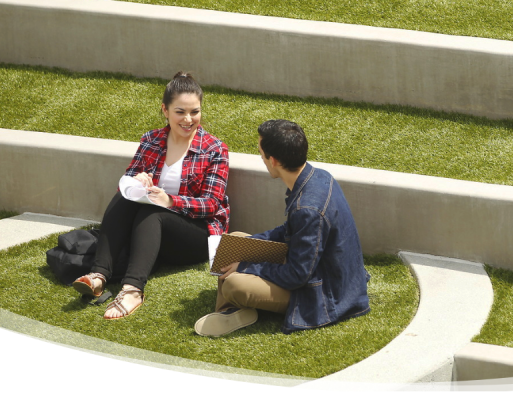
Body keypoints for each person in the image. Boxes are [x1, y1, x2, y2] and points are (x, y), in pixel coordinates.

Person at [72, 72, 231, 320]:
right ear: (165, 111)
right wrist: (136, 181)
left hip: (198, 234)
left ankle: (133, 290)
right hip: (154, 231)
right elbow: (129, 178)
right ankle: (99, 275)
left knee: (153, 211)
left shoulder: (214, 149)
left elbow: (211, 205)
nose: (188, 119)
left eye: (195, 112)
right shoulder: (151, 139)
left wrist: (169, 201)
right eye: (180, 112)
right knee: (127, 198)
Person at [194, 119, 369, 336]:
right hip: (322, 269)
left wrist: (247, 266)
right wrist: (246, 247)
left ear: (273, 160)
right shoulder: (318, 176)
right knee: (236, 239)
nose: (260, 157)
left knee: (234, 285)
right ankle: (231, 311)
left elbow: (297, 275)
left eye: (260, 152)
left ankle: (230, 310)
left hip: (326, 292)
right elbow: (291, 230)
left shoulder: (308, 208)